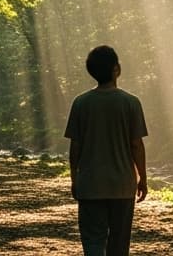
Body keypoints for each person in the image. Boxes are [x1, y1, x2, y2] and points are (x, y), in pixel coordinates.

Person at [65, 45, 149, 256]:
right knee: (119, 244)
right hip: (122, 185)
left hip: (91, 184)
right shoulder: (131, 103)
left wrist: (75, 179)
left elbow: (75, 147)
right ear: (116, 69)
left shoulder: (81, 103)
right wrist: (143, 178)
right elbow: (136, 145)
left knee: (93, 240)